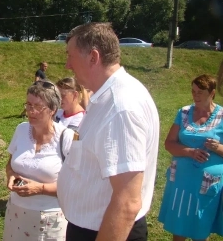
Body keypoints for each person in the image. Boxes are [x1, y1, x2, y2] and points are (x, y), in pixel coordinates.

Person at [57, 23, 160, 241]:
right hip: (94, 227)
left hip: (106, 231)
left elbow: (127, 202)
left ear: (93, 57)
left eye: (71, 56)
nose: (67, 65)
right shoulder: (107, 98)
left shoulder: (119, 108)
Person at [4, 80, 75, 241]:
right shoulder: (21, 129)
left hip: (50, 220)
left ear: (53, 110)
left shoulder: (66, 137)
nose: (31, 111)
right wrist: (11, 175)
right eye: (28, 105)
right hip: (16, 214)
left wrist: (40, 188)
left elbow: (76, 185)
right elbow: (9, 164)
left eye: (38, 107)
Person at [158, 74, 223, 241]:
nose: (195, 95)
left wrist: (218, 147)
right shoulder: (184, 112)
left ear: (212, 93)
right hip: (181, 181)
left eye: (200, 92)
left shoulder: (222, 116)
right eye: (193, 91)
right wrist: (189, 152)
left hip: (207, 184)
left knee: (201, 226)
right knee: (179, 224)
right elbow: (169, 143)